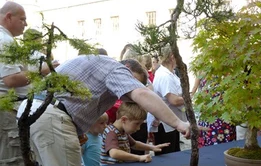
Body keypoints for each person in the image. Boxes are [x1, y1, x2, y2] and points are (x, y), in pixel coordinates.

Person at [18, 54, 191, 166]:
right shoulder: (116, 69)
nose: (127, 96)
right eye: (131, 83)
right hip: (50, 116)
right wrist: (179, 123)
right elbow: (142, 94)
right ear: (127, 70)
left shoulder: (97, 64)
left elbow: (75, 101)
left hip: (32, 111)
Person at [0, 1, 28, 165]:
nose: (25, 24)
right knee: (11, 160)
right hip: (8, 111)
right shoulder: (5, 40)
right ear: (9, 17)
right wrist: (41, 72)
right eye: (22, 19)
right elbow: (11, 79)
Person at [100, 102, 170, 165]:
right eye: (137, 124)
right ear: (124, 119)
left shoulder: (122, 132)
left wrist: (152, 147)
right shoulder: (111, 132)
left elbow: (135, 144)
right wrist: (138, 157)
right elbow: (114, 153)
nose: (138, 128)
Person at [150, 45, 187, 155]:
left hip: (172, 122)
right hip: (166, 124)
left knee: (175, 153)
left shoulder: (170, 73)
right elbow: (174, 100)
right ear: (172, 57)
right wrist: (188, 98)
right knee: (168, 155)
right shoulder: (165, 75)